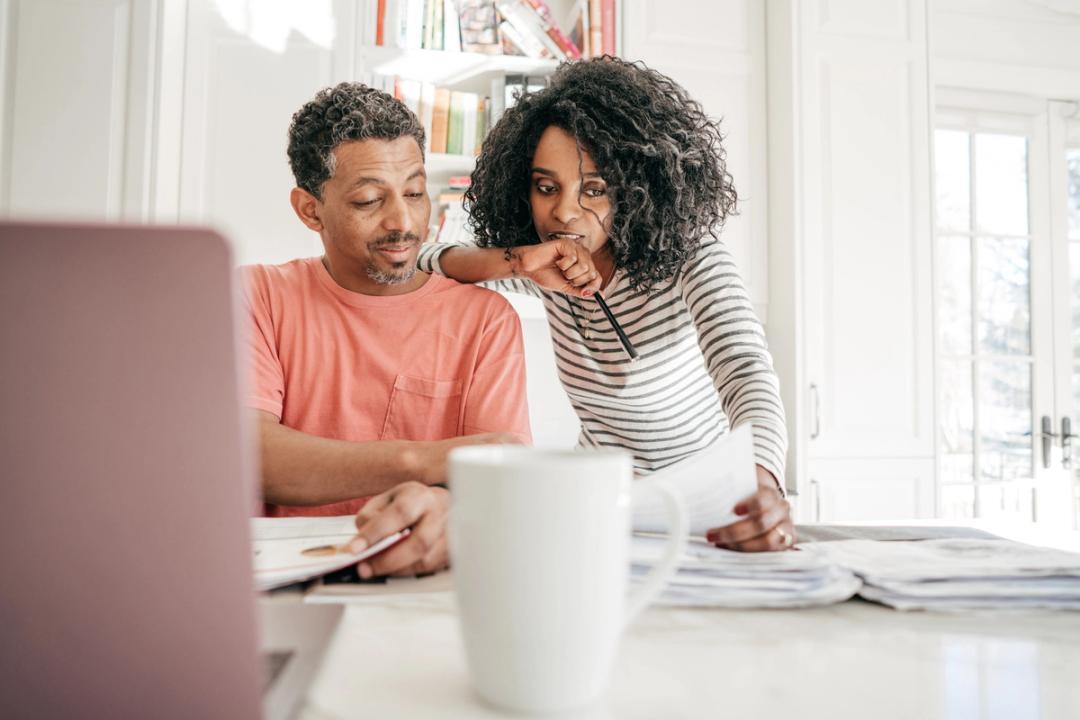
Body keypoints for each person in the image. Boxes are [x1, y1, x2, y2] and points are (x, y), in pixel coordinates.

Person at [418, 58, 794, 552]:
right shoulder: (548, 267)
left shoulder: (693, 260)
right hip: (601, 507)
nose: (564, 211)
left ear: (638, 188)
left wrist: (762, 479)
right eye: (545, 186)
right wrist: (520, 262)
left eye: (593, 189)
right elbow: (426, 259)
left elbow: (746, 370)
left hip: (705, 507)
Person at [243, 82, 531, 577]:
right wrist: (422, 462)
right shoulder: (260, 296)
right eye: (370, 200)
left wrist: (452, 515)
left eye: (416, 193)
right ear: (310, 210)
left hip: (429, 578)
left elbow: (499, 481)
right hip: (280, 578)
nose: (403, 221)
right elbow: (250, 454)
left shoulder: (486, 322)